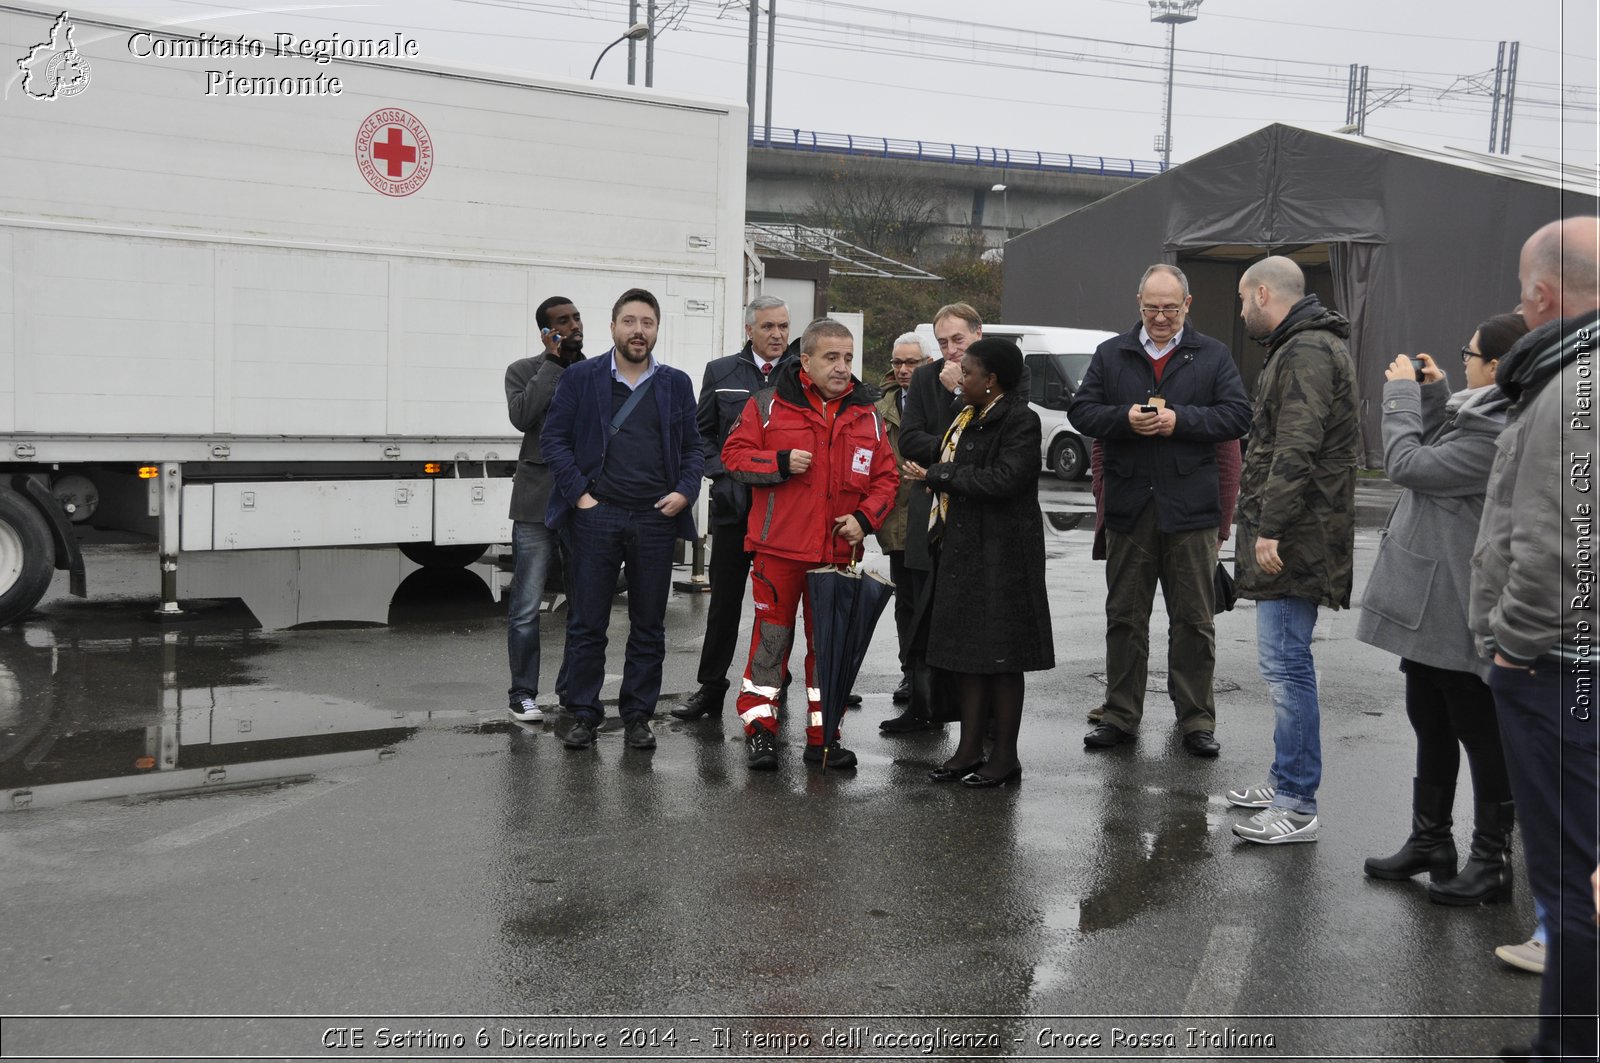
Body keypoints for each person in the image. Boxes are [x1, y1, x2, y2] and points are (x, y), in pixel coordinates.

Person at [1469, 216, 1599, 1062]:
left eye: (1523, 293)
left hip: (1557, 669)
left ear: (1544, 296)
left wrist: (1513, 648)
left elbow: (1559, 550)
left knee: (1570, 879)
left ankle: (1568, 1047)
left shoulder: (1572, 388)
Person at [1358, 314, 1527, 903]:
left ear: (1498, 369)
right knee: (1428, 719)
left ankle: (1491, 861)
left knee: (1478, 732)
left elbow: (1409, 466)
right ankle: (1431, 841)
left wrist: (1402, 395)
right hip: (1432, 602)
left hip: (1462, 603)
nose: (1465, 360)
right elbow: (1436, 452)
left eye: (1470, 353)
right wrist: (1433, 395)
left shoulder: (1499, 430)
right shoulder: (1478, 416)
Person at [1068, 264, 1251, 757]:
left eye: (1171, 308)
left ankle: (1196, 720)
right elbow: (1081, 412)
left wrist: (1180, 421)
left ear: (1187, 305)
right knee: (1124, 619)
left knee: (1194, 621)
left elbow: (1238, 415)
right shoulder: (1112, 354)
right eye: (1152, 308)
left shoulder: (1212, 356)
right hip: (1131, 507)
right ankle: (1121, 715)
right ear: (1138, 303)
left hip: (1191, 510)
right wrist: (1125, 419)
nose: (1161, 317)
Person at [721, 317, 898, 771]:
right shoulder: (767, 406)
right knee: (771, 645)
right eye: (831, 357)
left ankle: (824, 737)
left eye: (848, 358)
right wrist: (779, 461)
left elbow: (886, 478)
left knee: (829, 648)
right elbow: (734, 458)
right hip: (778, 551)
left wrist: (864, 518)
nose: (842, 367)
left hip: (836, 555)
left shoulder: (868, 415)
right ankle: (761, 730)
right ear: (806, 361)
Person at [1226, 256, 1358, 845]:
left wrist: (1270, 529)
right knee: (1285, 664)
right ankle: (1285, 779)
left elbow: (1295, 446)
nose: (1241, 310)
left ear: (1262, 293)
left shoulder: (1305, 350)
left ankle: (1297, 802)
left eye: (1241, 299)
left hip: (1297, 535)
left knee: (1287, 667)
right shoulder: (1304, 345)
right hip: (1298, 529)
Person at [539, 288, 703, 753]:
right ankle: (585, 715)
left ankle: (637, 716)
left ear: (656, 329)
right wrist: (582, 497)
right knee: (587, 623)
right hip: (598, 516)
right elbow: (554, 441)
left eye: (647, 322)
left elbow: (693, 448)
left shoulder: (675, 383)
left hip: (655, 518)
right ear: (613, 327)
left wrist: (684, 492)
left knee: (648, 624)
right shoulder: (582, 378)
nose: (638, 330)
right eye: (629, 321)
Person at [913, 337, 1053, 786]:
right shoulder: (968, 417)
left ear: (990, 381)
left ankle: (1004, 757)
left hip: (1004, 559)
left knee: (1002, 661)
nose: (962, 378)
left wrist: (942, 475)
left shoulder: (1020, 420)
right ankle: (968, 749)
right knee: (965, 658)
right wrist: (941, 472)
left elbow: (1007, 479)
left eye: (968, 372)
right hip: (963, 552)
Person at [671, 296, 796, 722]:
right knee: (724, 603)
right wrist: (722, 475)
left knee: (780, 603)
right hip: (734, 510)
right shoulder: (721, 372)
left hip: (783, 513)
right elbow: (701, 433)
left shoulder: (800, 374)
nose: (777, 335)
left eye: (783, 326)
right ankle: (711, 688)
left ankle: (776, 682)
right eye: (768, 327)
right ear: (750, 330)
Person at [503, 296, 585, 723]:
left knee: (583, 603)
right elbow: (523, 416)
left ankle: (572, 692)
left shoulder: (597, 371)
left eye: (576, 318)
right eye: (562, 322)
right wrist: (552, 365)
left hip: (581, 501)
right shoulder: (523, 370)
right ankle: (522, 694)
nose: (573, 326)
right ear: (547, 331)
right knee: (526, 606)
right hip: (535, 501)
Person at [876, 332, 935, 730]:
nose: (903, 370)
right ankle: (909, 672)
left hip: (930, 515)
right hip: (895, 517)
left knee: (931, 601)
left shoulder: (940, 399)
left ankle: (931, 679)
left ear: (927, 363)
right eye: (898, 362)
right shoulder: (881, 408)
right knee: (906, 601)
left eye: (911, 363)